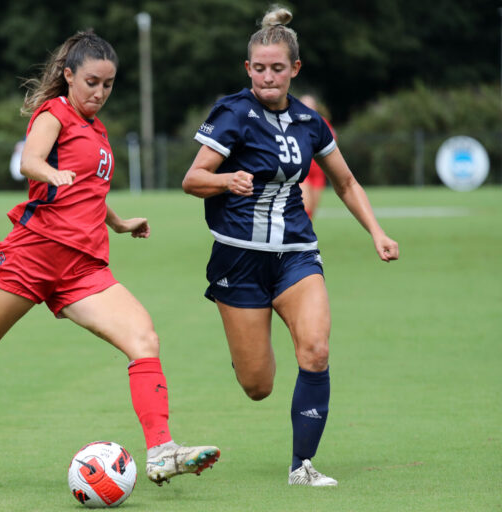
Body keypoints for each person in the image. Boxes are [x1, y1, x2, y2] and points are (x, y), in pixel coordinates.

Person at [0, 30, 220, 486]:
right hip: (30, 257)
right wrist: (50, 170)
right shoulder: (54, 113)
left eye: (108, 84)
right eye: (92, 81)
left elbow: (88, 190)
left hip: (83, 269)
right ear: (69, 75)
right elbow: (29, 161)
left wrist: (119, 222)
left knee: (144, 340)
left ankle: (162, 452)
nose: (100, 92)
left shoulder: (98, 129)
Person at [181, 6, 399, 487]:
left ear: (294, 69)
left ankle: (302, 466)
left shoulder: (310, 121)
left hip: (297, 254)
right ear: (248, 69)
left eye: (277, 68)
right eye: (258, 68)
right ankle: (249, 344)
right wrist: (224, 181)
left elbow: (345, 182)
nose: (267, 77)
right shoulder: (233, 113)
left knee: (316, 351)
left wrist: (377, 232)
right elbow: (191, 179)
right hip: (238, 259)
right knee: (257, 386)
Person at [298, 94, 335, 219]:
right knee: (305, 208)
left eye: (310, 105)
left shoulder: (323, 123)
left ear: (315, 107)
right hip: (303, 171)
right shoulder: (294, 122)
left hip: (319, 172)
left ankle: (306, 237)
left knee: (311, 212)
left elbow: (332, 146)